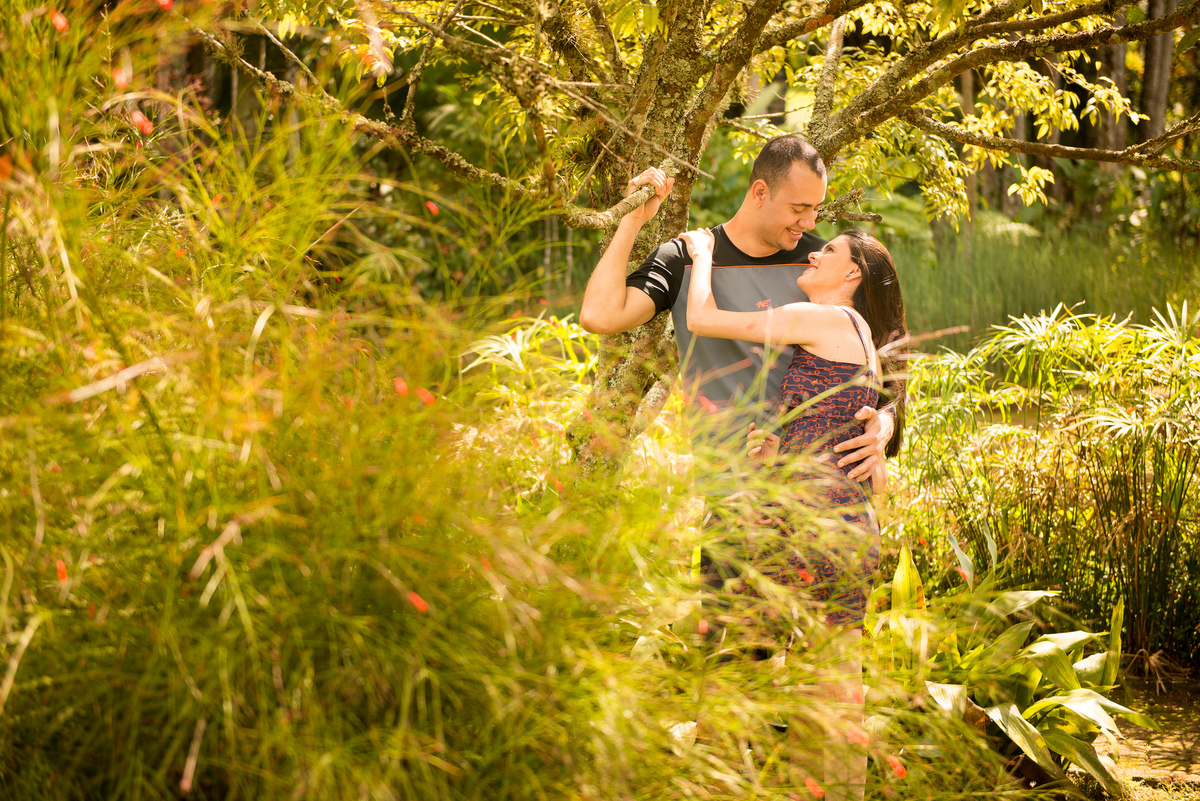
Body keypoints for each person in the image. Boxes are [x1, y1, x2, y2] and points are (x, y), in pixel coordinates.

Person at [681, 224, 906, 801]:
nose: (813, 251)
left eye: (828, 250)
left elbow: (703, 319)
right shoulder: (851, 337)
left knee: (761, 676)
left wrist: (703, 254)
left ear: (852, 274)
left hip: (813, 533)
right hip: (836, 528)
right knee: (826, 694)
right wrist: (772, 447)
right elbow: (825, 441)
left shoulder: (827, 320)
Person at [578, 136, 901, 501]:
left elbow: (884, 360)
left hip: (813, 498)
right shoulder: (685, 258)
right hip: (727, 497)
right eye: (799, 208)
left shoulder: (818, 266)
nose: (809, 222)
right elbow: (598, 316)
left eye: (816, 208)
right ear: (760, 192)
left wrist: (885, 423)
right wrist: (633, 219)